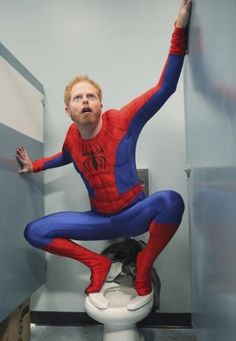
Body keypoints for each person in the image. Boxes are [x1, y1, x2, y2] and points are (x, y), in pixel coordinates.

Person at [16, 0, 192, 299]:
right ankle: (97, 263)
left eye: (91, 96)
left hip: (135, 213)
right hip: (99, 219)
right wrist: (36, 166)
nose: (84, 100)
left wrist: (178, 31)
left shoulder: (122, 120)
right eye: (77, 98)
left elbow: (165, 88)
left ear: (100, 102)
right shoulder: (72, 137)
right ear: (68, 110)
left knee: (172, 201)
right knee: (34, 231)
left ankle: (145, 261)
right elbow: (64, 156)